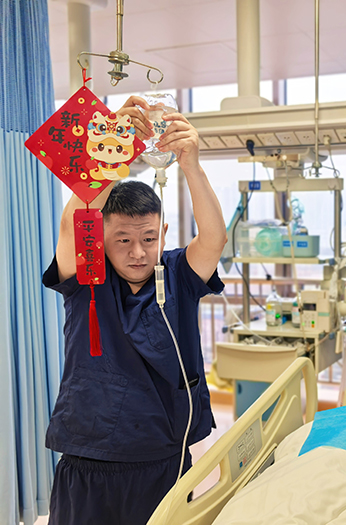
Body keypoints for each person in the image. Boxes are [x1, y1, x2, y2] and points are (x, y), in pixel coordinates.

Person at [43, 96, 227, 525]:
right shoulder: (88, 278)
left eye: (148, 238)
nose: (139, 252)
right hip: (91, 458)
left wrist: (191, 165)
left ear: (163, 231)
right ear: (99, 237)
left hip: (163, 457)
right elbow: (73, 222)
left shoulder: (178, 274)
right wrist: (113, 147)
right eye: (123, 240)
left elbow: (214, 238)